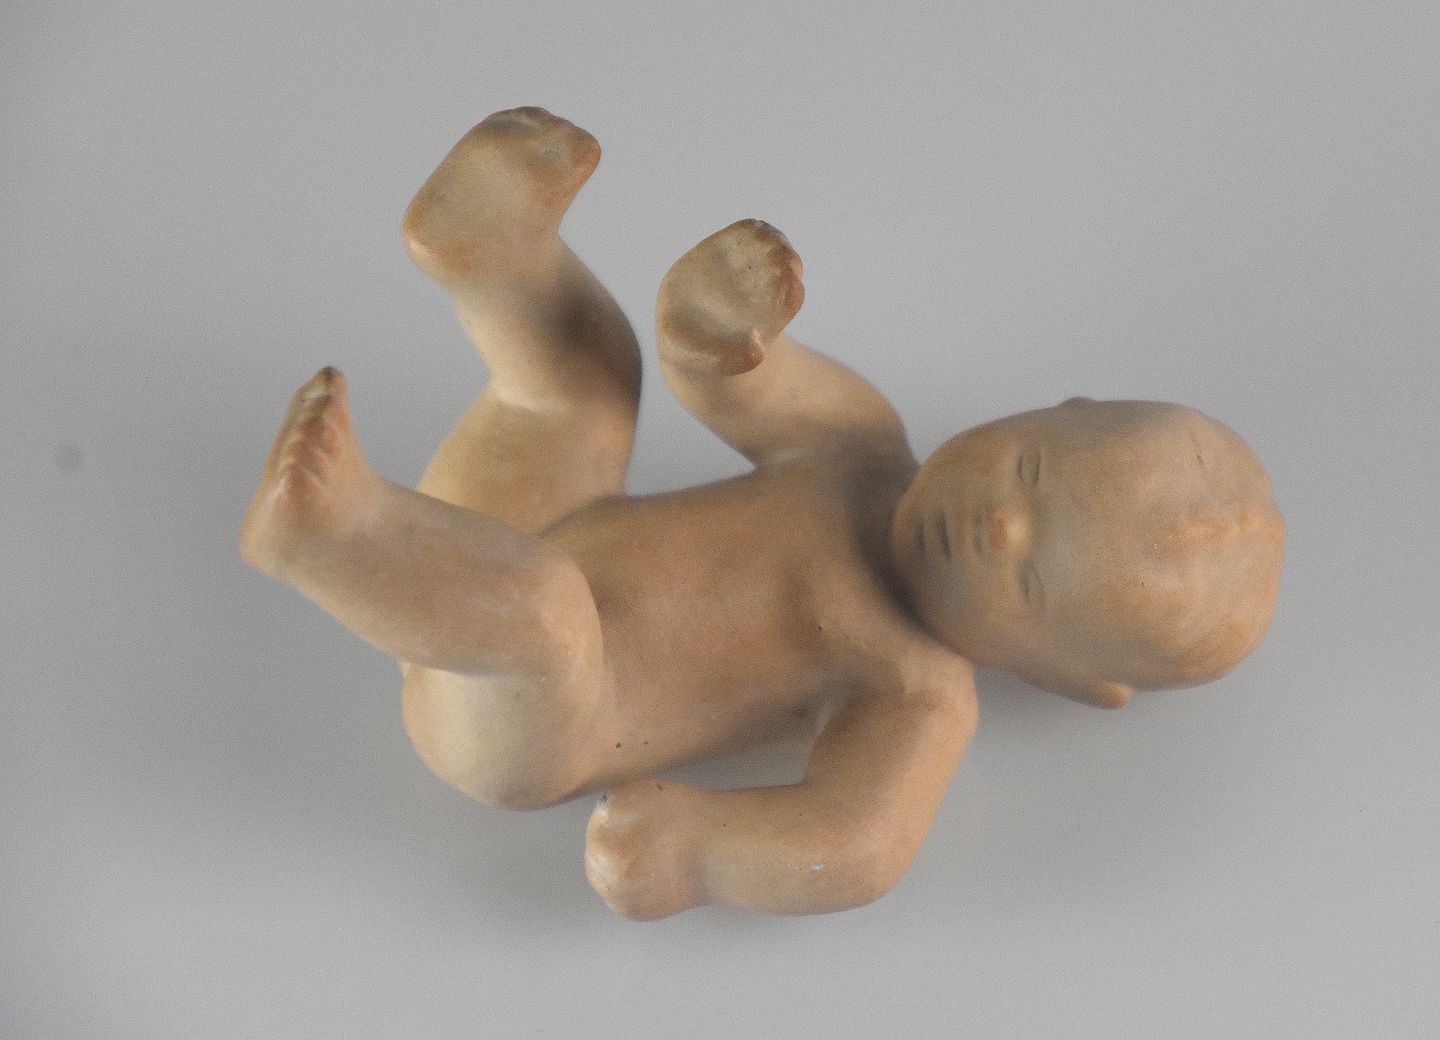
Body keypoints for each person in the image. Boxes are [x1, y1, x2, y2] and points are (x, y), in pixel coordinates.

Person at [239, 108, 1285, 919]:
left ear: (1062, 676)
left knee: (549, 610)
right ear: (1056, 408)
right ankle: (491, 254)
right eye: (1029, 469)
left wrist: (701, 850)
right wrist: (717, 332)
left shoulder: (914, 693)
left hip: (529, 712)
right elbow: (743, 384)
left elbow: (855, 841)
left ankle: (333, 536)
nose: (995, 525)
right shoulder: (863, 445)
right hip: (520, 526)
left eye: (1034, 579)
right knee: (579, 385)